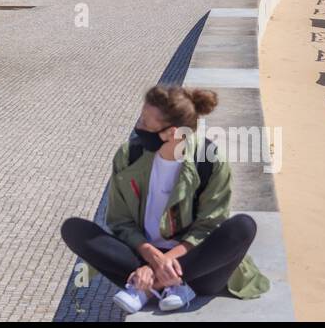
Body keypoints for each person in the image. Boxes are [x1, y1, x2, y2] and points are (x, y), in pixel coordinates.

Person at [60, 86, 269, 314]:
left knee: (243, 227)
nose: (138, 126)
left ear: (171, 133)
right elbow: (120, 221)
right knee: (74, 229)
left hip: (198, 268)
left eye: (145, 122)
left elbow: (209, 226)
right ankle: (160, 283)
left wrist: (159, 266)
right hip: (139, 257)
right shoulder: (129, 156)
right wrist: (153, 258)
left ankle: (148, 288)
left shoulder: (210, 161)